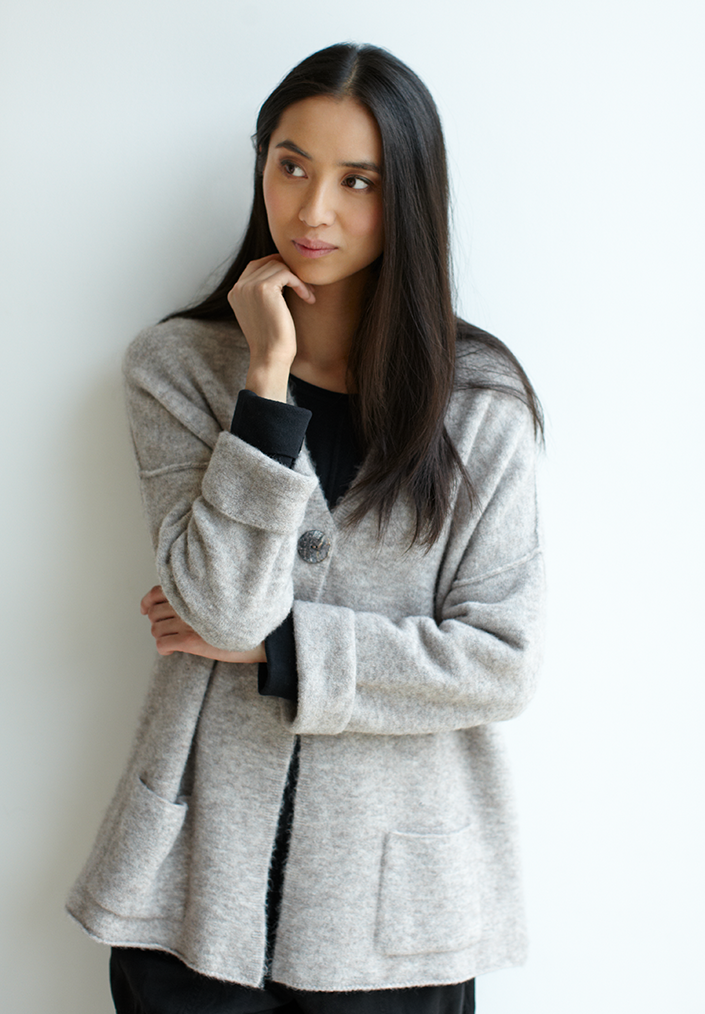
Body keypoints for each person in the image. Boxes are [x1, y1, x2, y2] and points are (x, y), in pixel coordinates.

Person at [66, 42, 545, 1014]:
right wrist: (266, 385)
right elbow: (219, 608)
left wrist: (285, 653)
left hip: (395, 918)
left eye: (356, 180)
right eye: (290, 164)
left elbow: (503, 661)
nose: (312, 209)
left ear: (407, 194)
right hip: (195, 894)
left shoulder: (483, 406)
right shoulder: (177, 370)